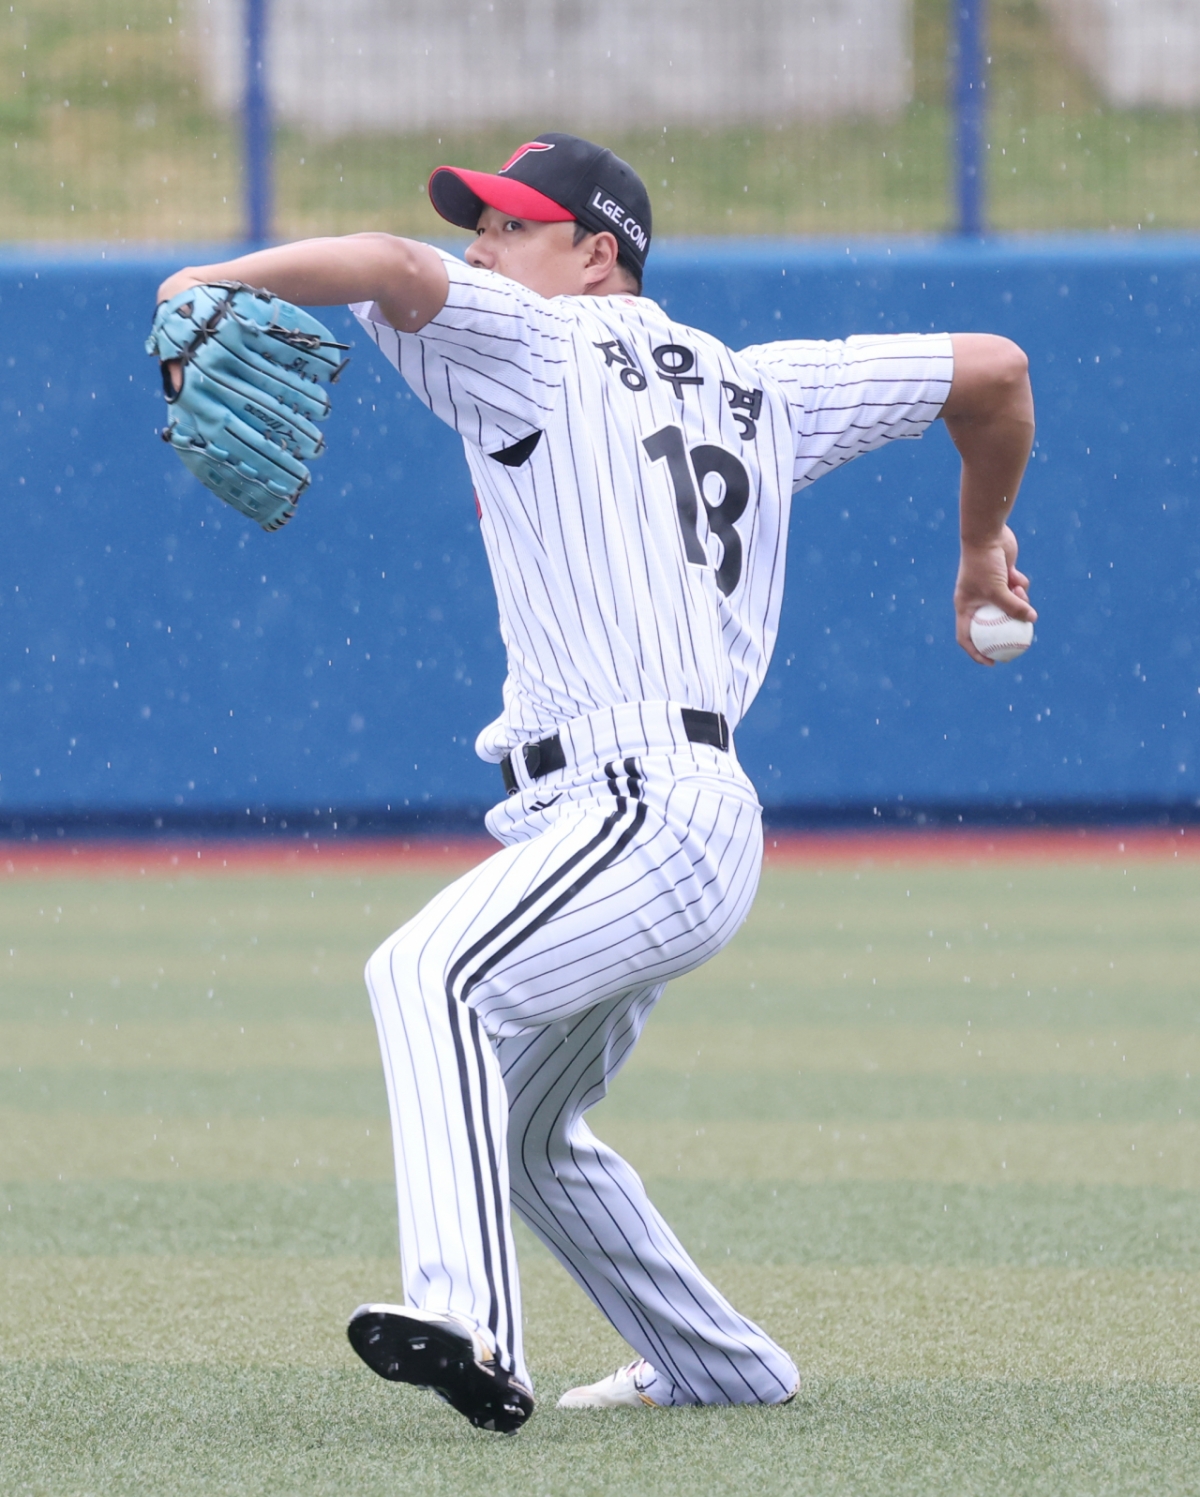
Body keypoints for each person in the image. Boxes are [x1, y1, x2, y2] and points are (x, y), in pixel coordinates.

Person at [156, 132, 1036, 1433]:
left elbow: (388, 265)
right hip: (659, 816)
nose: (479, 249)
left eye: (511, 226)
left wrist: (207, 277)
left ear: (596, 255)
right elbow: (997, 371)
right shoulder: (765, 384)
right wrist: (979, 545)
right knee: (522, 1129)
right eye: (479, 225)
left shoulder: (537, 338)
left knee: (427, 975)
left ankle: (470, 1321)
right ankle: (717, 1362)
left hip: (637, 805)